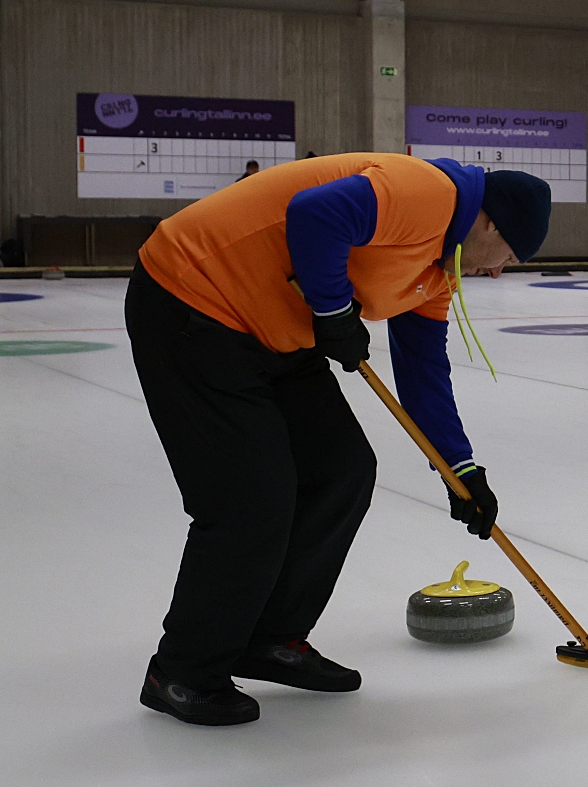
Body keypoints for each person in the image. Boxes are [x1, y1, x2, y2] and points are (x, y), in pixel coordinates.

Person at [127, 153, 551, 725]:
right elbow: (316, 213)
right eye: (509, 258)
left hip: (278, 327)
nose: (499, 272)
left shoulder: (438, 270)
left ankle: (269, 638)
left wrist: (461, 470)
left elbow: (423, 367)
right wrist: (333, 311)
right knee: (251, 496)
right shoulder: (428, 193)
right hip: (193, 299)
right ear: (492, 224)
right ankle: (181, 669)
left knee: (341, 469)